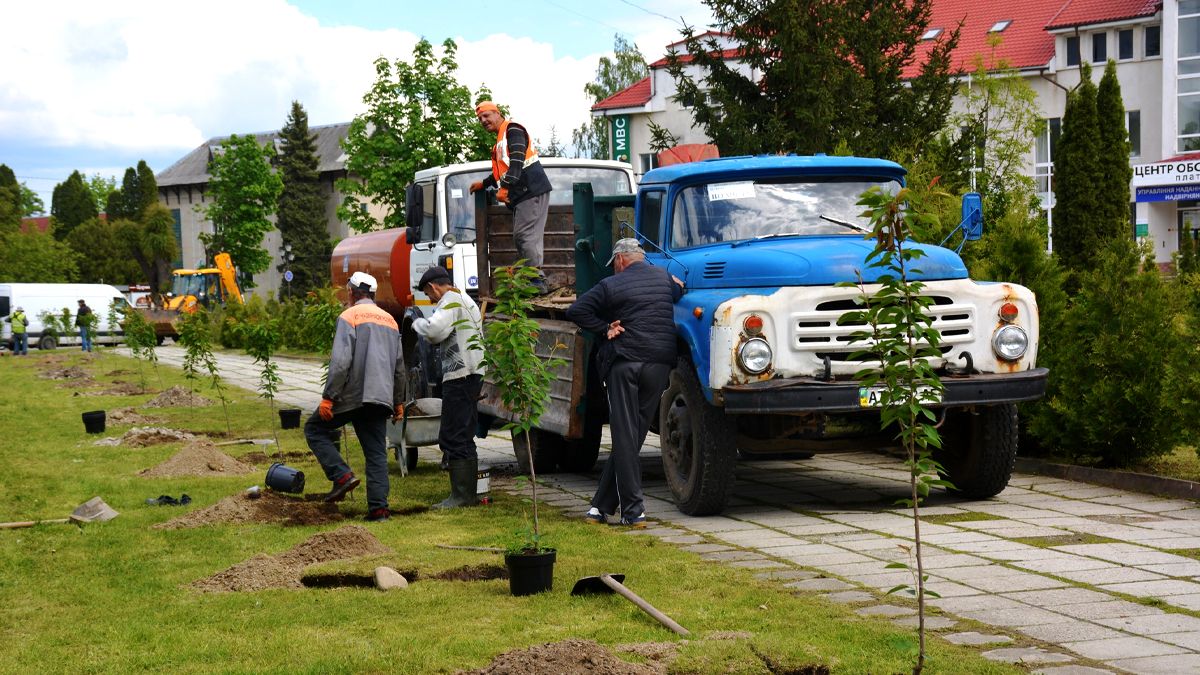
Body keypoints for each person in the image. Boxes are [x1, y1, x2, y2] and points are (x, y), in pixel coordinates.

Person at [566, 239, 683, 527]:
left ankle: (633, 511)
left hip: (625, 364)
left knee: (624, 436)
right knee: (632, 437)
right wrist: (676, 285)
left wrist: (605, 328)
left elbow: (576, 311)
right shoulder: (663, 278)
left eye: (614, 264)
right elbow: (678, 290)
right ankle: (600, 507)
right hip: (658, 365)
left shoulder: (610, 285)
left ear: (620, 260)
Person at [304, 271, 405, 522]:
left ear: (351, 292)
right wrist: (398, 401)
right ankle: (379, 511)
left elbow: (340, 362)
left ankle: (341, 476)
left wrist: (329, 397)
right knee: (376, 454)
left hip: (353, 396)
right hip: (380, 398)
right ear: (372, 294)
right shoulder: (391, 321)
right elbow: (399, 367)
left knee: (314, 429)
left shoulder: (350, 316)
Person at [412, 266, 487, 508]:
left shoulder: (449, 300)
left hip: (460, 375)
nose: (430, 300)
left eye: (428, 294)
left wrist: (417, 324)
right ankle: (468, 493)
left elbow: (434, 332)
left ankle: (461, 496)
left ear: (433, 287)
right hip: (473, 373)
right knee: (464, 432)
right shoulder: (464, 298)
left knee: (453, 433)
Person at [469, 101, 553, 294]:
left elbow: (517, 161)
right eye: (480, 118)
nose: (483, 120)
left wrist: (505, 188)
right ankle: (531, 277)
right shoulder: (501, 140)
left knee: (525, 235)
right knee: (521, 236)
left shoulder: (512, 130)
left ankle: (537, 280)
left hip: (531, 190)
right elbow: (503, 170)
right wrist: (485, 183)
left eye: (486, 115)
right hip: (524, 193)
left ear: (498, 113)